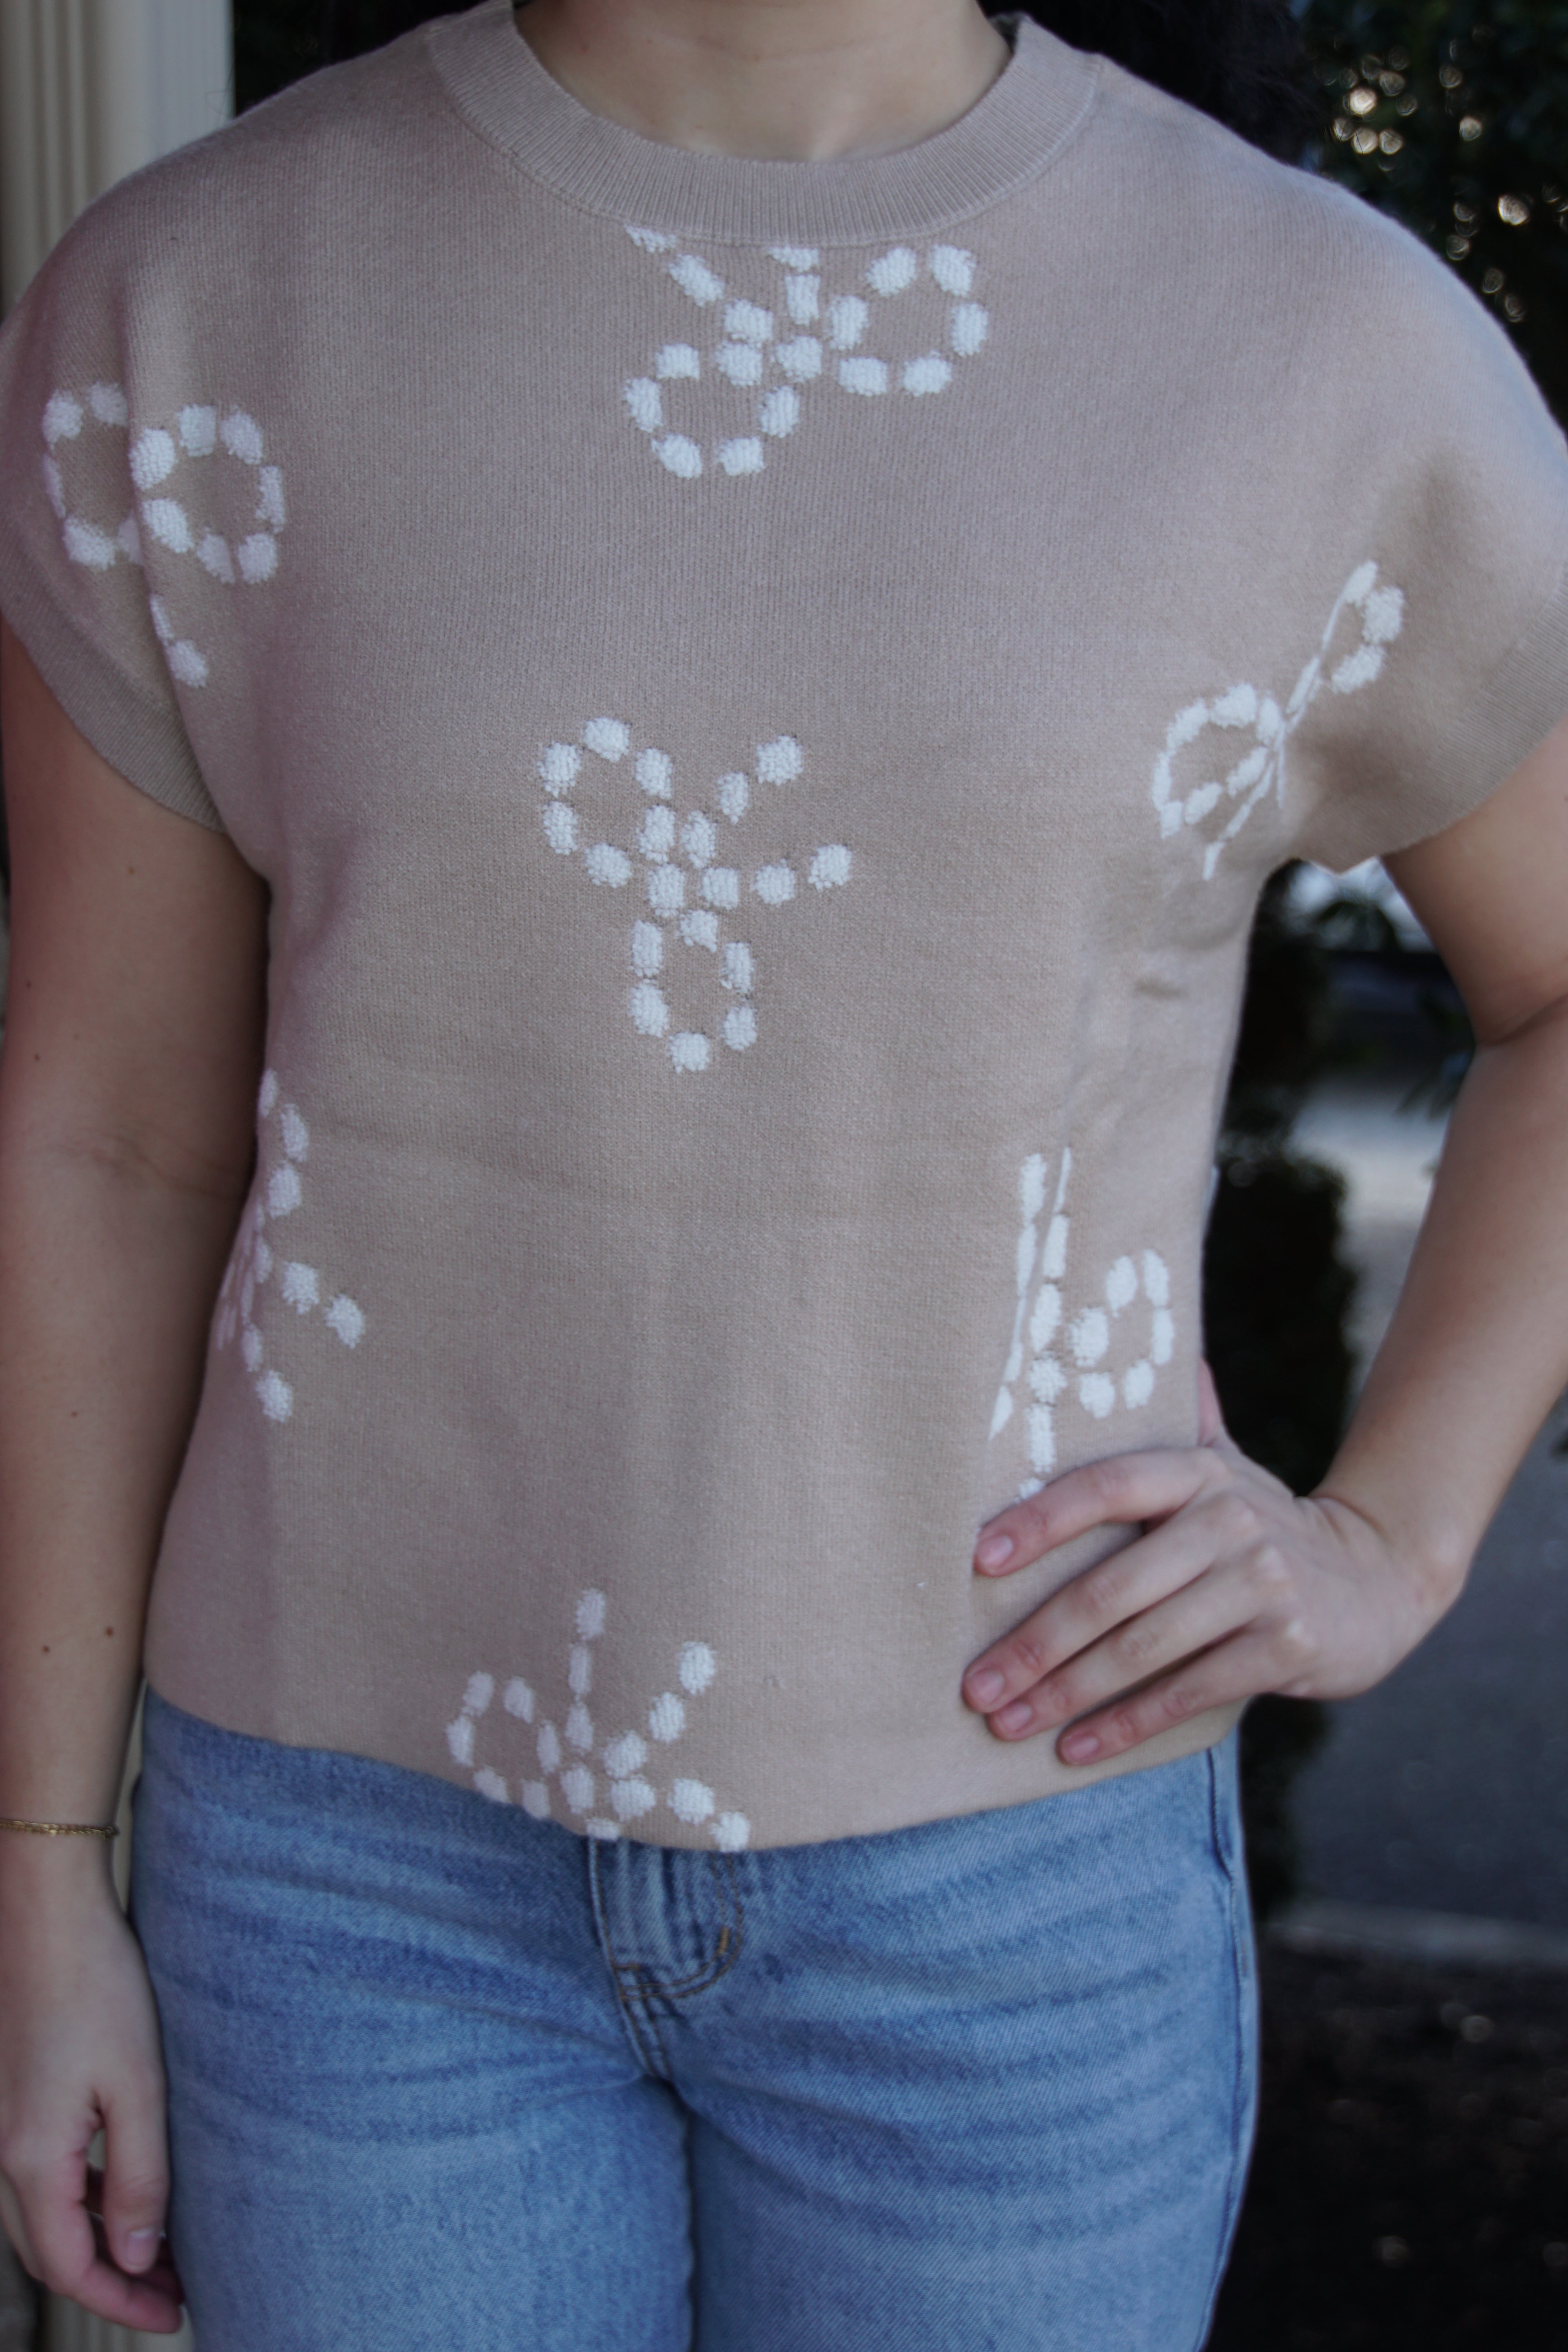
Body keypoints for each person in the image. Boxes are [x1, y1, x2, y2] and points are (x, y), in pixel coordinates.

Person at [2, 2, 1568, 2344]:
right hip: (348, 1886)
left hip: (1011, 1871)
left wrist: (1392, 1537)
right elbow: (112, 1134)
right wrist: (36, 1861)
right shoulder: (195, 303)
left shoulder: (1319, 347)